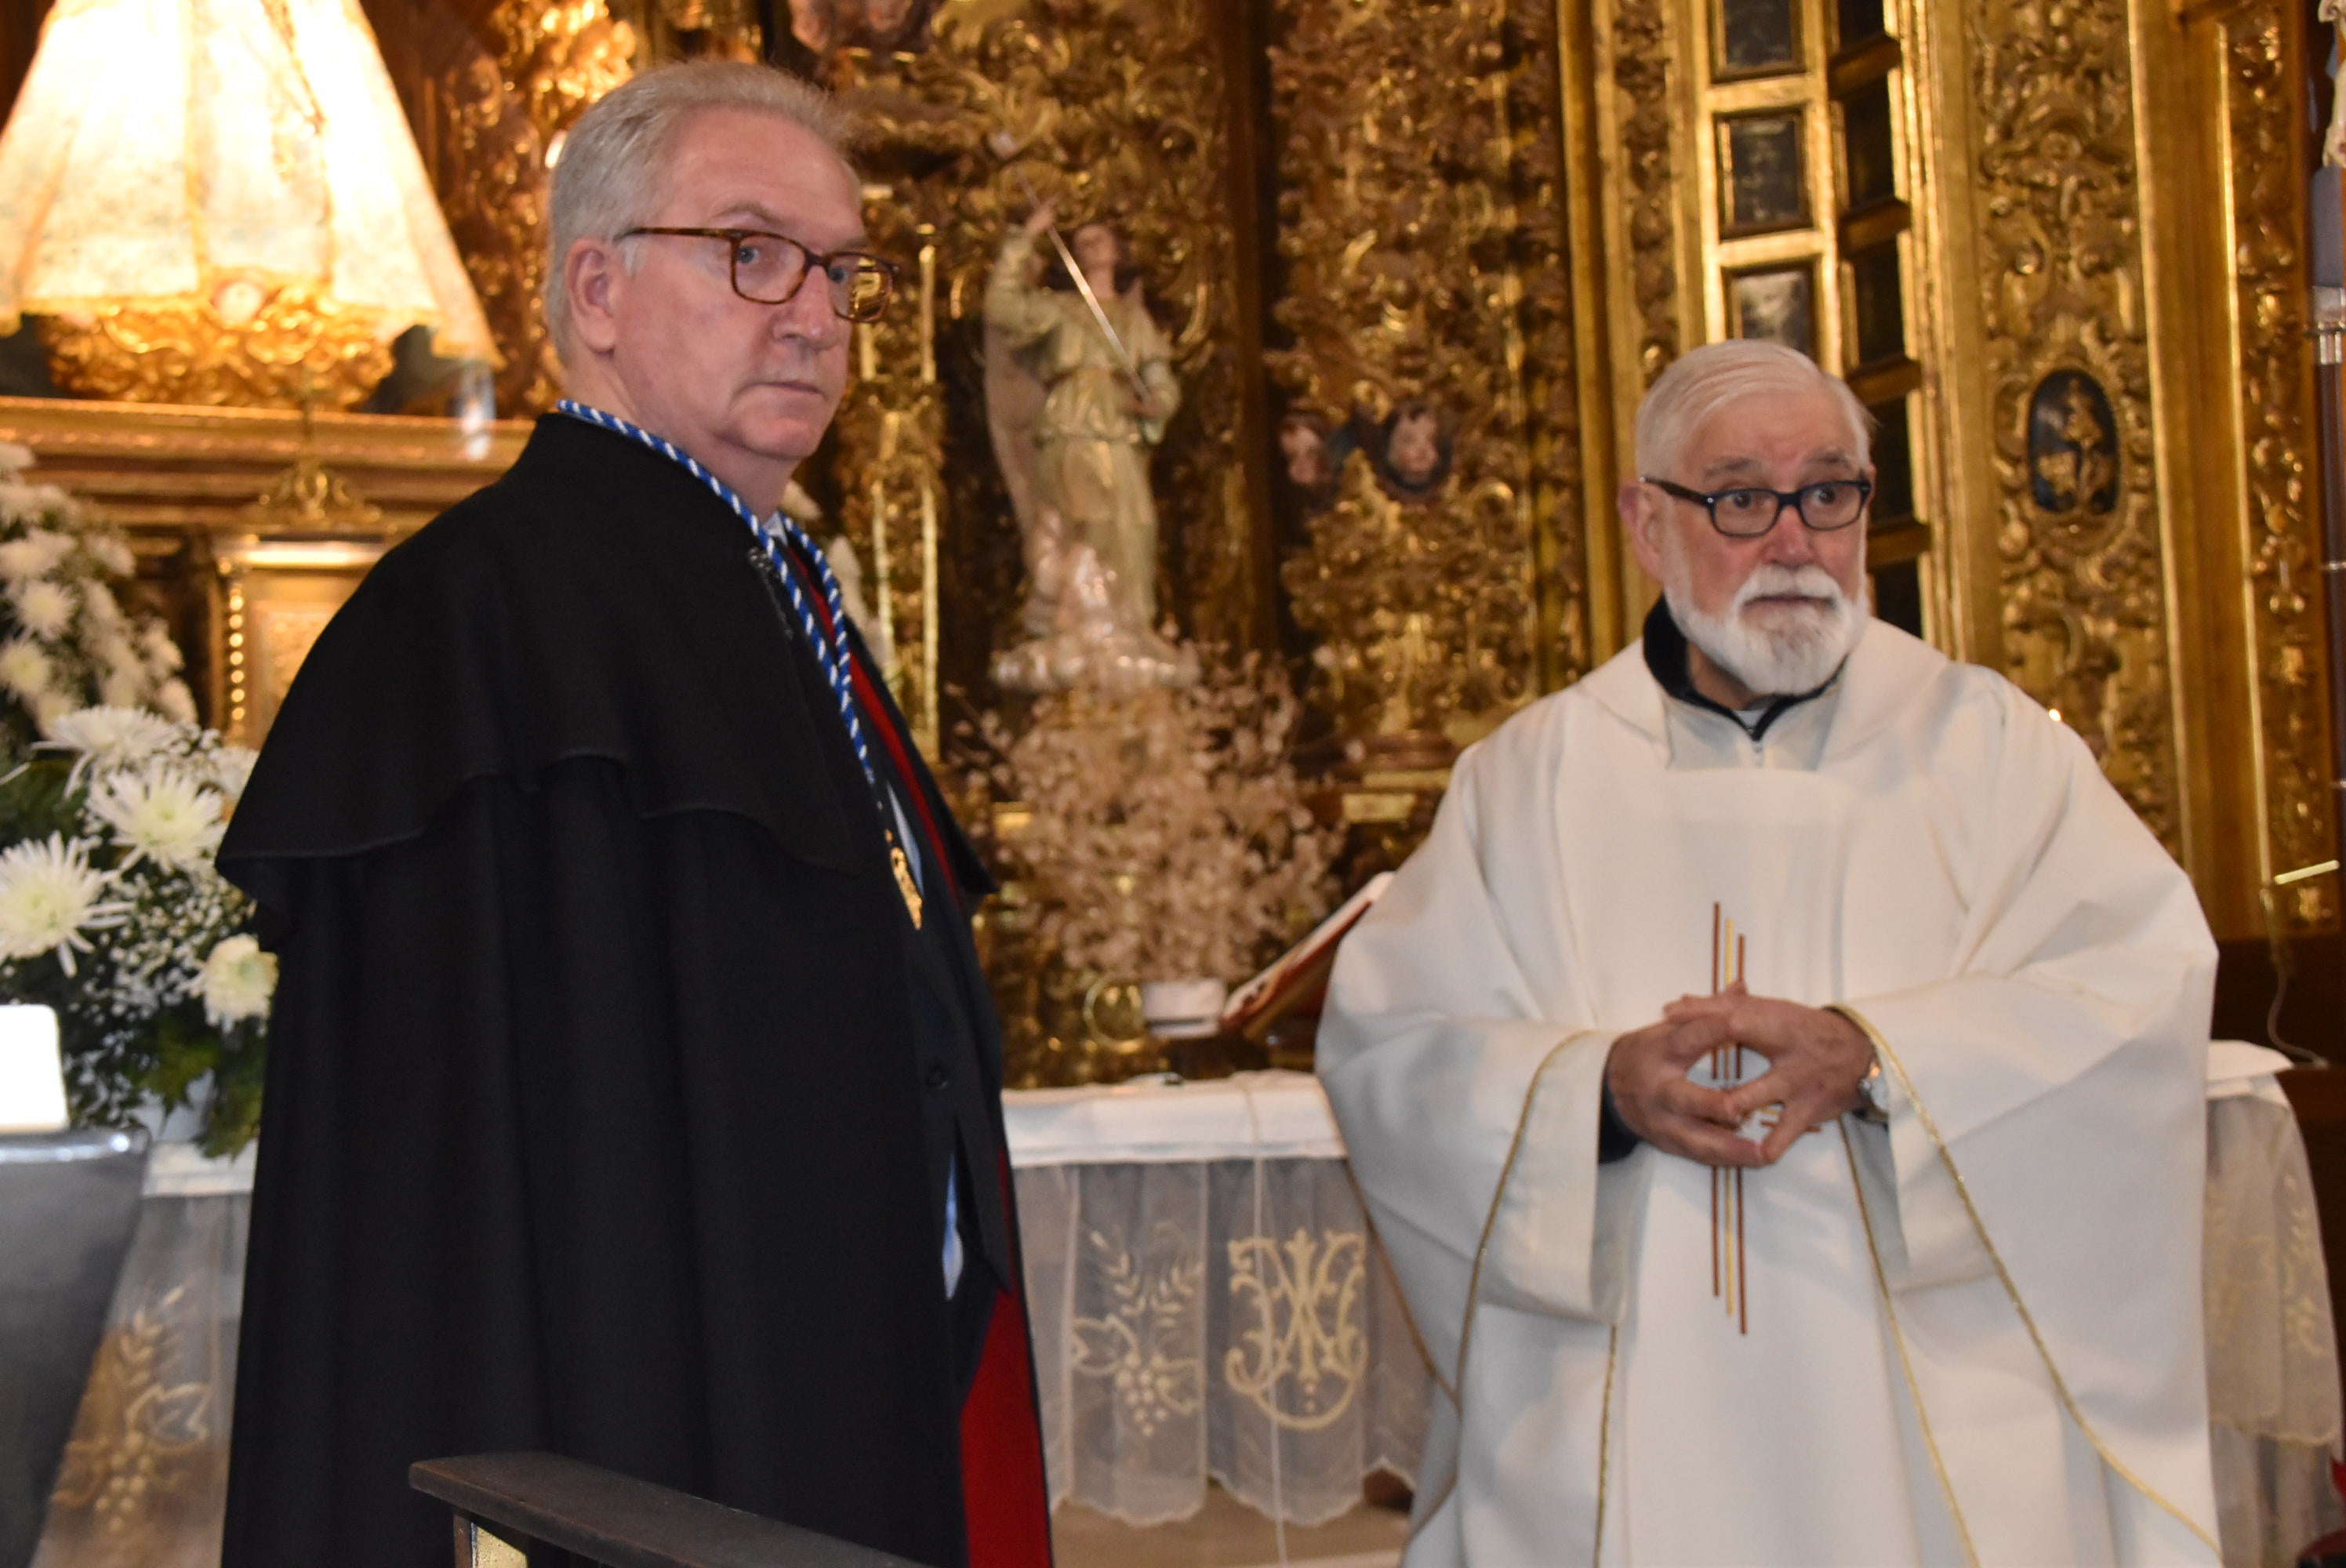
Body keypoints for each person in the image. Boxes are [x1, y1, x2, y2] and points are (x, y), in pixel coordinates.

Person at [216, 62, 1050, 1568]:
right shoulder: (473, 619)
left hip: (827, 1401)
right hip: (633, 1449)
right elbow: (441, 1209)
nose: (815, 314)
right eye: (752, 252)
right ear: (596, 290)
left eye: (841, 271)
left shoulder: (773, 593)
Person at [1318, 339, 2220, 1565]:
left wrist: (1882, 1059)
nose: (1794, 541)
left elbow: (2139, 991)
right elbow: (1396, 1051)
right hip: (1624, 1414)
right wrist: (1596, 1093)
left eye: (1829, 493)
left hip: (1930, 1419)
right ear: (1648, 523)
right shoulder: (1530, 782)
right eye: (1742, 498)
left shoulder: (1990, 750)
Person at [983, 205, 1179, 650]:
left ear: (1117, 251)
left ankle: (1131, 627)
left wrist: (1157, 403)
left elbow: (1160, 378)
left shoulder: (1133, 320)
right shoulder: (1060, 310)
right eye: (1081, 243)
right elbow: (1002, 306)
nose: (1090, 247)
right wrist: (1025, 237)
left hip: (1120, 423)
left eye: (1099, 239)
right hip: (1072, 425)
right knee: (1088, 522)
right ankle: (1084, 627)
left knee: (1136, 524)